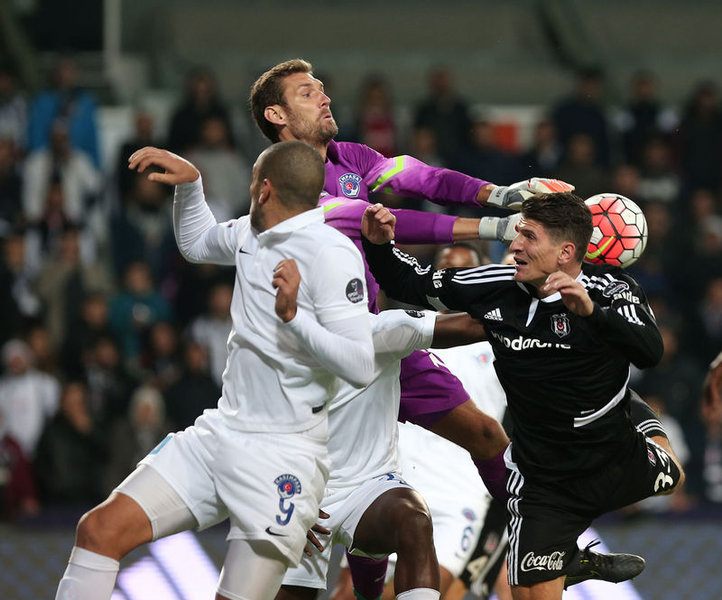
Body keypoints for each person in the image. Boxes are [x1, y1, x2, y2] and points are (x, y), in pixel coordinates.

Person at [54, 141, 375, 600]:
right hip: (221, 433)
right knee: (99, 530)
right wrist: (191, 185)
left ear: (265, 189)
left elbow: (360, 364)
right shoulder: (251, 233)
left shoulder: (332, 253)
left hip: (284, 455)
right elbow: (196, 242)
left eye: (251, 182)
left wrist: (295, 320)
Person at [249, 58, 573, 506]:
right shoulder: (280, 185)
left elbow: (423, 177)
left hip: (371, 333)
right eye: (307, 93)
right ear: (276, 114)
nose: (324, 98)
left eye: (321, 88)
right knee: (331, 495)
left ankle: (543, 535)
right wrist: (494, 228)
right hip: (310, 354)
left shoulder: (351, 157)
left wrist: (497, 194)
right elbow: (376, 219)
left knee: (484, 433)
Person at [361, 193, 685, 600]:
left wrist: (591, 314)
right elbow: (410, 281)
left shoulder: (612, 289)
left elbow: (650, 351)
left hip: (615, 458)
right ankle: (569, 560)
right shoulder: (497, 286)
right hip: (544, 485)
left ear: (565, 252)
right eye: (518, 235)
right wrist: (379, 245)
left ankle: (634, 414)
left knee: (674, 476)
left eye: (529, 237)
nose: (514, 246)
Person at [277, 309, 489, 600]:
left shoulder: (383, 327)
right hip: (299, 490)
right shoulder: (275, 339)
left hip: (373, 487)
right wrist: (277, 494)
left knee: (413, 520)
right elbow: (248, 429)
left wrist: (535, 310)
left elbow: (472, 323)